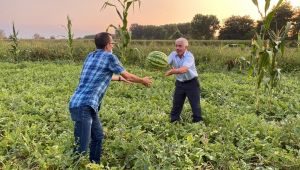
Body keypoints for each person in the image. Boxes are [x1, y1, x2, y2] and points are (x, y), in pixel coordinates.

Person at [69, 32, 152, 164]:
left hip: (85, 104)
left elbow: (99, 75)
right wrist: (143, 80)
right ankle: (70, 165)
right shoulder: (110, 57)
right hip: (84, 106)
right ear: (108, 45)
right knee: (81, 149)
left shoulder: (90, 56)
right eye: (112, 43)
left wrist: (119, 79)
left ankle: (94, 165)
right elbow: (128, 76)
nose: (112, 46)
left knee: (98, 137)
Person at [165, 37, 203, 123]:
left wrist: (172, 71)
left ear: (186, 47)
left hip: (192, 83)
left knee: (195, 105)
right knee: (176, 104)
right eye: (176, 46)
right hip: (180, 84)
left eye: (180, 46)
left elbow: (184, 69)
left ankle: (198, 123)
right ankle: (174, 121)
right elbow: (165, 62)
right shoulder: (173, 54)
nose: (177, 48)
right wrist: (157, 64)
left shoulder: (189, 56)